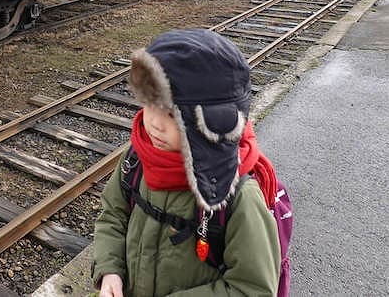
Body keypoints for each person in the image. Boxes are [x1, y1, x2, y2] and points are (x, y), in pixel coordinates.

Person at [92, 29, 280, 296]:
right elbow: (113, 213)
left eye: (171, 114)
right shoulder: (137, 159)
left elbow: (252, 288)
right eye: (149, 104)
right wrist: (110, 269)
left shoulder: (238, 197)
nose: (155, 123)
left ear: (209, 123)